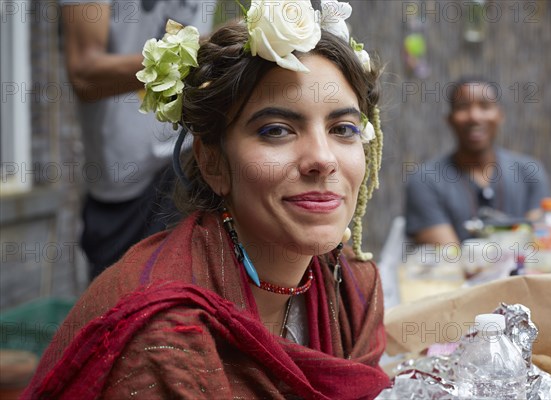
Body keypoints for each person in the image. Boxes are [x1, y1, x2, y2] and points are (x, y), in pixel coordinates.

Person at [23, 2, 391, 398]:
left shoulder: (353, 288)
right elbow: (84, 69)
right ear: (212, 161)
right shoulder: (165, 337)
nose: (322, 158)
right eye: (276, 130)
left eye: (344, 128)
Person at [60, 0, 216, 280]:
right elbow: (85, 73)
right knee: (121, 311)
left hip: (191, 155)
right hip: (126, 186)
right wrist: (199, 51)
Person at [405, 77, 551, 245]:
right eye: (463, 107)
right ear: (449, 119)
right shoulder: (426, 180)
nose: (474, 116)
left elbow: (541, 244)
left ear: (500, 115)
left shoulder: (529, 172)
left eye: (485, 106)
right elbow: (448, 256)